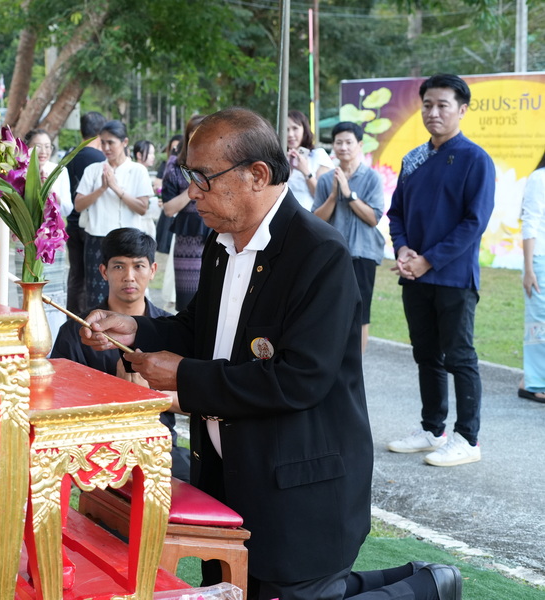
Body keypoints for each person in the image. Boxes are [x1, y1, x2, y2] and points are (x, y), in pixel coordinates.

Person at [80, 107, 462, 600]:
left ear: (257, 175)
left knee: (286, 591)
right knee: (245, 591)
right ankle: (428, 581)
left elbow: (299, 378)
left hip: (298, 483)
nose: (192, 191)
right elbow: (202, 329)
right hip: (232, 470)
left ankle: (427, 588)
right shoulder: (224, 242)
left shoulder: (318, 254)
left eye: (203, 178)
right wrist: (135, 328)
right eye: (189, 176)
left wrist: (185, 377)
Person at [386, 73, 495, 468]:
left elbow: (474, 222)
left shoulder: (475, 159)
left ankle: (468, 438)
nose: (433, 112)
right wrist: (402, 249)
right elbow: (395, 212)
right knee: (426, 354)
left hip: (453, 277)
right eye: (427, 105)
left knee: (459, 356)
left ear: (461, 110)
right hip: (414, 275)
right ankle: (432, 429)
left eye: (443, 105)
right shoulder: (413, 159)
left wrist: (428, 259)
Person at [50, 228, 190, 481]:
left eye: (139, 266)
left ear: (153, 270)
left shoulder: (174, 329)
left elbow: (197, 402)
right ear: (103, 271)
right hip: (97, 449)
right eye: (118, 267)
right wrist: (118, 392)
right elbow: (60, 402)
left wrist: (150, 395)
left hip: (159, 444)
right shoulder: (76, 330)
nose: (129, 277)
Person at [312, 122, 385, 353]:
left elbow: (373, 218)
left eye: (348, 142)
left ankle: (357, 366)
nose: (343, 147)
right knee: (331, 310)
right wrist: (334, 195)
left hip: (363, 254)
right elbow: (317, 219)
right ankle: (333, 361)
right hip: (332, 255)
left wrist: (349, 194)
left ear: (359, 145)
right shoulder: (325, 180)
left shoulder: (372, 178)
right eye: (338, 142)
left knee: (361, 313)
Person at [75, 120, 153, 309]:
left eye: (111, 142)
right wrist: (102, 188)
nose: (106, 147)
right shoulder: (93, 170)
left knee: (130, 292)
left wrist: (116, 189)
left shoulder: (138, 170)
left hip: (130, 240)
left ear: (124, 142)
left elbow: (142, 207)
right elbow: (78, 205)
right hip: (97, 239)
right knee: (96, 295)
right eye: (103, 142)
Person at [161, 115, 209, 310]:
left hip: (218, 235)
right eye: (194, 134)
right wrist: (193, 185)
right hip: (187, 240)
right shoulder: (174, 166)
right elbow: (168, 209)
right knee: (187, 302)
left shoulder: (222, 163)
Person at [65, 111, 106, 315]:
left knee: (76, 276)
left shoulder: (69, 155)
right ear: (101, 133)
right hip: (91, 224)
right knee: (94, 277)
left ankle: (73, 319)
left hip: (71, 223)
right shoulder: (100, 159)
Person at [519, 149, 545, 403]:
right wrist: (529, 269)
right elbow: (530, 222)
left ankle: (531, 378)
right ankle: (533, 384)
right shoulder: (540, 178)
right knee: (539, 323)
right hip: (539, 260)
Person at [286, 109, 333, 210]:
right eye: (286, 130)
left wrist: (305, 171)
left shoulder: (318, 155)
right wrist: (288, 170)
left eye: (295, 128)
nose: (290, 134)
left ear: (304, 129)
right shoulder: (278, 158)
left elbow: (323, 197)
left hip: (310, 219)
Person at [25, 128, 72, 217]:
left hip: (50, 227)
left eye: (47, 146)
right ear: (27, 147)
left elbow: (67, 209)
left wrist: (49, 189)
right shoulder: (21, 171)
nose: (43, 152)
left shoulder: (60, 171)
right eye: (38, 146)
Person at [132, 139, 161, 239]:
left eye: (153, 153)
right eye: (150, 153)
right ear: (139, 155)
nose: (153, 156)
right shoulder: (139, 170)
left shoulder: (139, 170)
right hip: (140, 222)